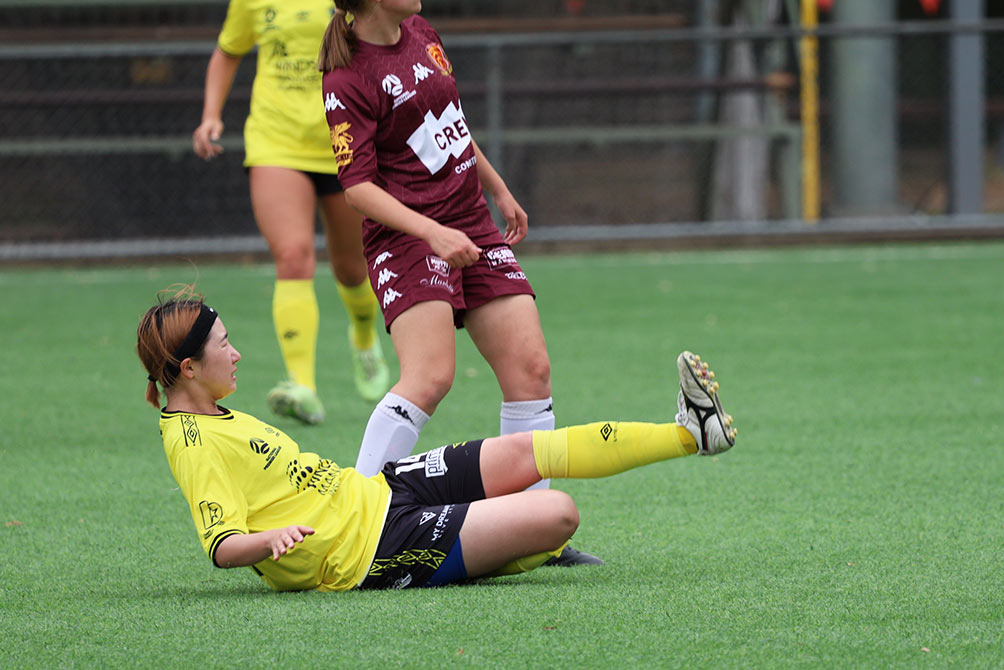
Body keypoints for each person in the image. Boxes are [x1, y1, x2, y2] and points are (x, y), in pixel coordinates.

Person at [136, 287, 738, 591]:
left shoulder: (219, 414)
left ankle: (689, 434)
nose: (236, 354)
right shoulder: (191, 440)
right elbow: (220, 546)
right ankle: (475, 547)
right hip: (369, 551)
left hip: (379, 491)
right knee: (558, 512)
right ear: (188, 368)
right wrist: (271, 539)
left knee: (528, 455)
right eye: (223, 347)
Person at [315, 1, 600, 566]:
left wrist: (497, 188)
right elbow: (358, 190)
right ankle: (355, 525)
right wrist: (433, 234)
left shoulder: (420, 30)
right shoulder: (347, 76)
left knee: (531, 369)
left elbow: (451, 126)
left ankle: (532, 536)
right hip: (409, 239)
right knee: (430, 377)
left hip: (471, 223)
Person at [191, 0, 390, 425]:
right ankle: (303, 384)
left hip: (344, 142)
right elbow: (228, 51)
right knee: (294, 255)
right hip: (275, 141)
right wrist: (211, 116)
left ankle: (364, 335)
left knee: (353, 269)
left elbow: (385, 45)